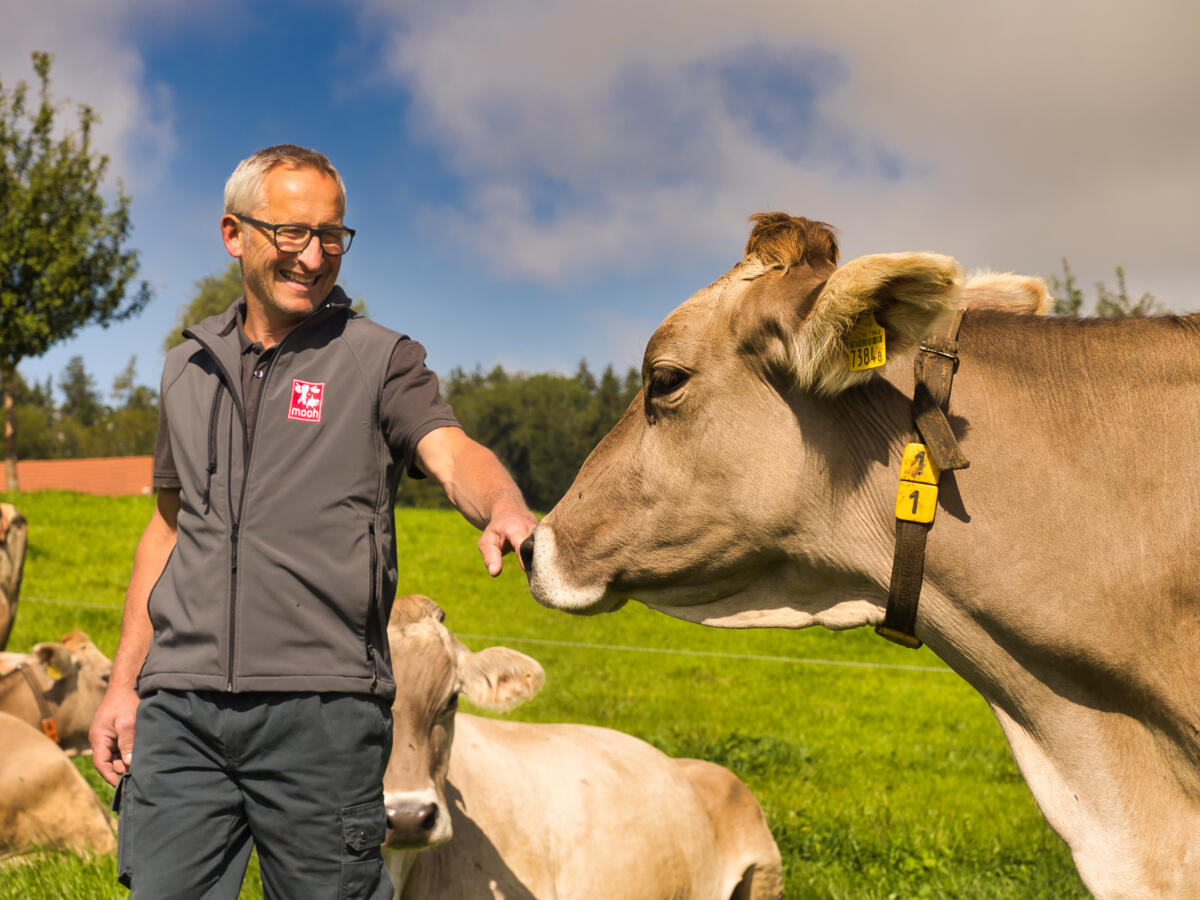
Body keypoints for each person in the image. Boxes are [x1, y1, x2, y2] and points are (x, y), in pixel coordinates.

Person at [88, 144, 538, 898]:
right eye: (291, 232)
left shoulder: (380, 360)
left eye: (332, 235)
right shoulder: (186, 368)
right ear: (235, 234)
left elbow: (451, 452)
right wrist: (125, 684)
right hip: (182, 710)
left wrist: (504, 505)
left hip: (321, 713)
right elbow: (167, 529)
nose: (314, 255)